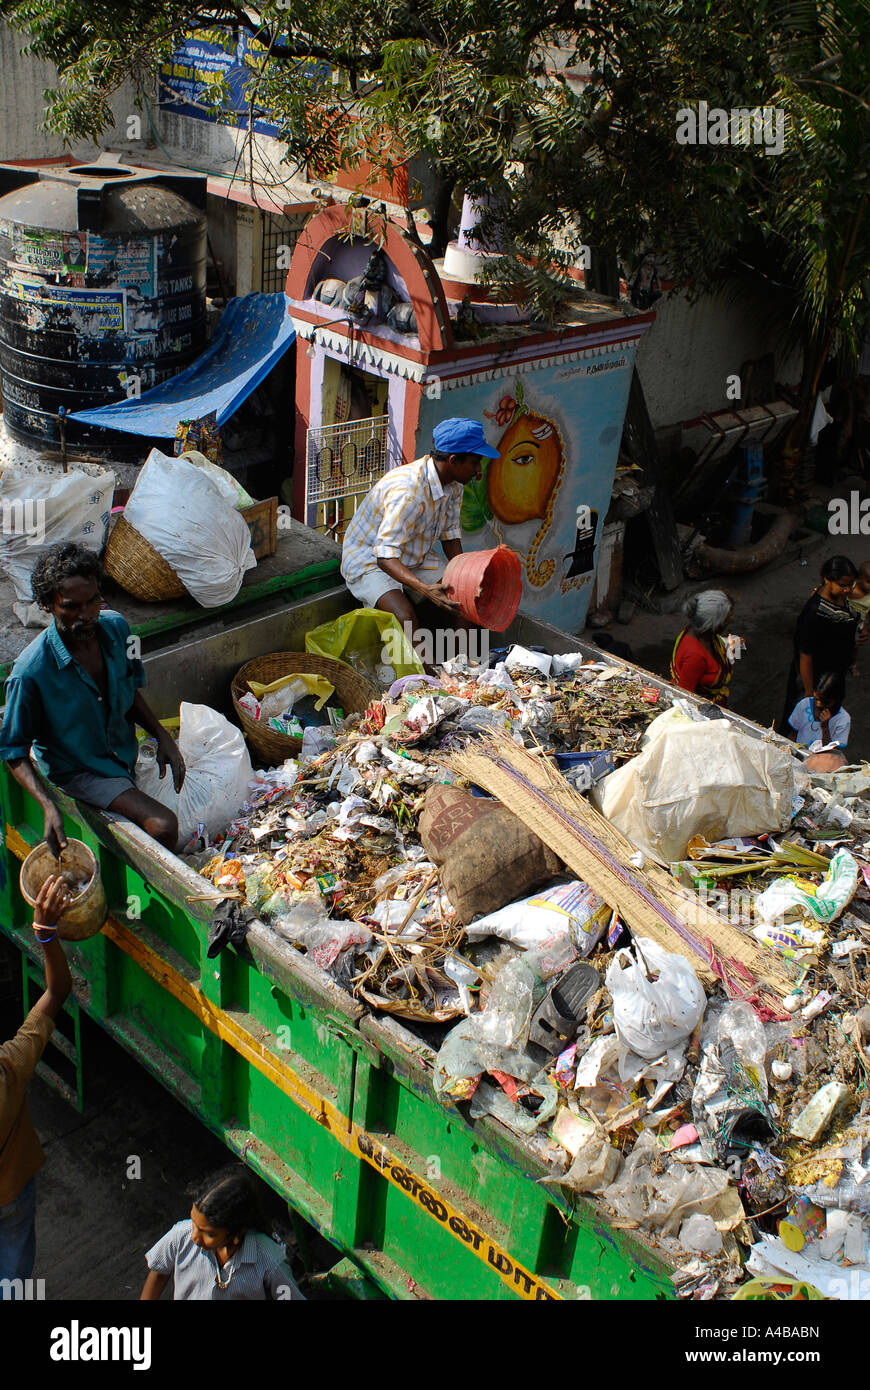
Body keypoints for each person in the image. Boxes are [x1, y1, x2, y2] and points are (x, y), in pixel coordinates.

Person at [0, 544, 185, 854]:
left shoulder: (118, 628)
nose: (85, 616)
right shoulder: (30, 673)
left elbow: (130, 687)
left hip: (122, 752)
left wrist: (162, 735)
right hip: (80, 769)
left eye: (93, 601)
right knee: (164, 826)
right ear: (47, 605)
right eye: (71, 607)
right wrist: (47, 805)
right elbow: (13, 751)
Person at [340, 417, 499, 641]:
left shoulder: (454, 487)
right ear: (454, 460)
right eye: (474, 463)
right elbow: (384, 557)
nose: (478, 471)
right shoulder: (408, 492)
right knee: (405, 618)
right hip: (370, 559)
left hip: (413, 555)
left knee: (465, 598)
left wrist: (467, 578)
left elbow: (450, 537)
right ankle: (426, 675)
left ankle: (463, 665)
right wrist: (424, 589)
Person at [1, 877, 72, 1292]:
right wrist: (45, 935)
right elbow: (57, 991)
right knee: (13, 1276)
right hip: (11, 1195)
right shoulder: (9, 1069)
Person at [140, 1165, 305, 1301]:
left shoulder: (270, 1260)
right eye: (194, 1223)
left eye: (209, 1234)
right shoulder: (180, 1235)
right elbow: (159, 1274)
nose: (194, 1237)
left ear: (237, 1231)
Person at [779, 555, 867, 734]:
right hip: (815, 678)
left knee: (825, 724)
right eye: (843, 585)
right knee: (800, 725)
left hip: (834, 675)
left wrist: (855, 638)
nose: (848, 589)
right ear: (828, 579)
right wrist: (809, 695)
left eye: (851, 584)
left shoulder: (843, 598)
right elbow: (805, 656)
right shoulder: (814, 613)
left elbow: (845, 626)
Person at [669, 590, 736, 705]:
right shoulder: (695, 657)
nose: (732, 619)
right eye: (726, 619)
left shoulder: (703, 634)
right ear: (712, 625)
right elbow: (683, 699)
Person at [787, 671, 851, 749]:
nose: (819, 704)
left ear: (837, 700)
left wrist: (825, 728)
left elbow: (832, 753)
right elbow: (793, 734)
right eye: (817, 699)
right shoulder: (804, 705)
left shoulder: (843, 719)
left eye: (826, 702)